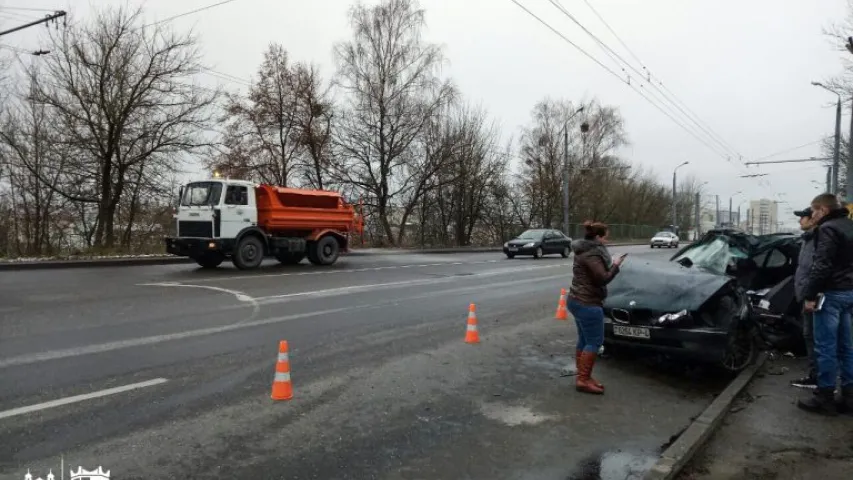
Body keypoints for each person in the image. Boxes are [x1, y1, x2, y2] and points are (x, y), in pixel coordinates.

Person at [798, 193, 853, 415]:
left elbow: (822, 265)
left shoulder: (828, 229)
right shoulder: (849, 225)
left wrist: (810, 295)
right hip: (849, 293)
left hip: (830, 294)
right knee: (847, 347)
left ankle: (825, 397)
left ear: (823, 210)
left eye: (814, 210)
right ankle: (849, 397)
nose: (812, 215)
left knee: (825, 347)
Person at [567, 221, 626, 395]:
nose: (607, 241)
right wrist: (616, 264)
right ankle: (583, 380)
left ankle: (584, 376)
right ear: (598, 237)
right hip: (587, 303)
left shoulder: (584, 250)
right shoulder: (592, 254)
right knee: (594, 341)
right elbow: (602, 278)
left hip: (576, 299)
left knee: (584, 340)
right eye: (606, 237)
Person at [791, 207, 817, 389]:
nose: (800, 221)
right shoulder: (807, 239)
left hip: (814, 298)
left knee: (816, 338)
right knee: (810, 335)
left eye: (803, 218)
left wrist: (811, 295)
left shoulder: (818, 239)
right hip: (808, 295)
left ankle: (819, 379)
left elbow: (817, 269)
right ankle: (816, 376)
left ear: (813, 219)